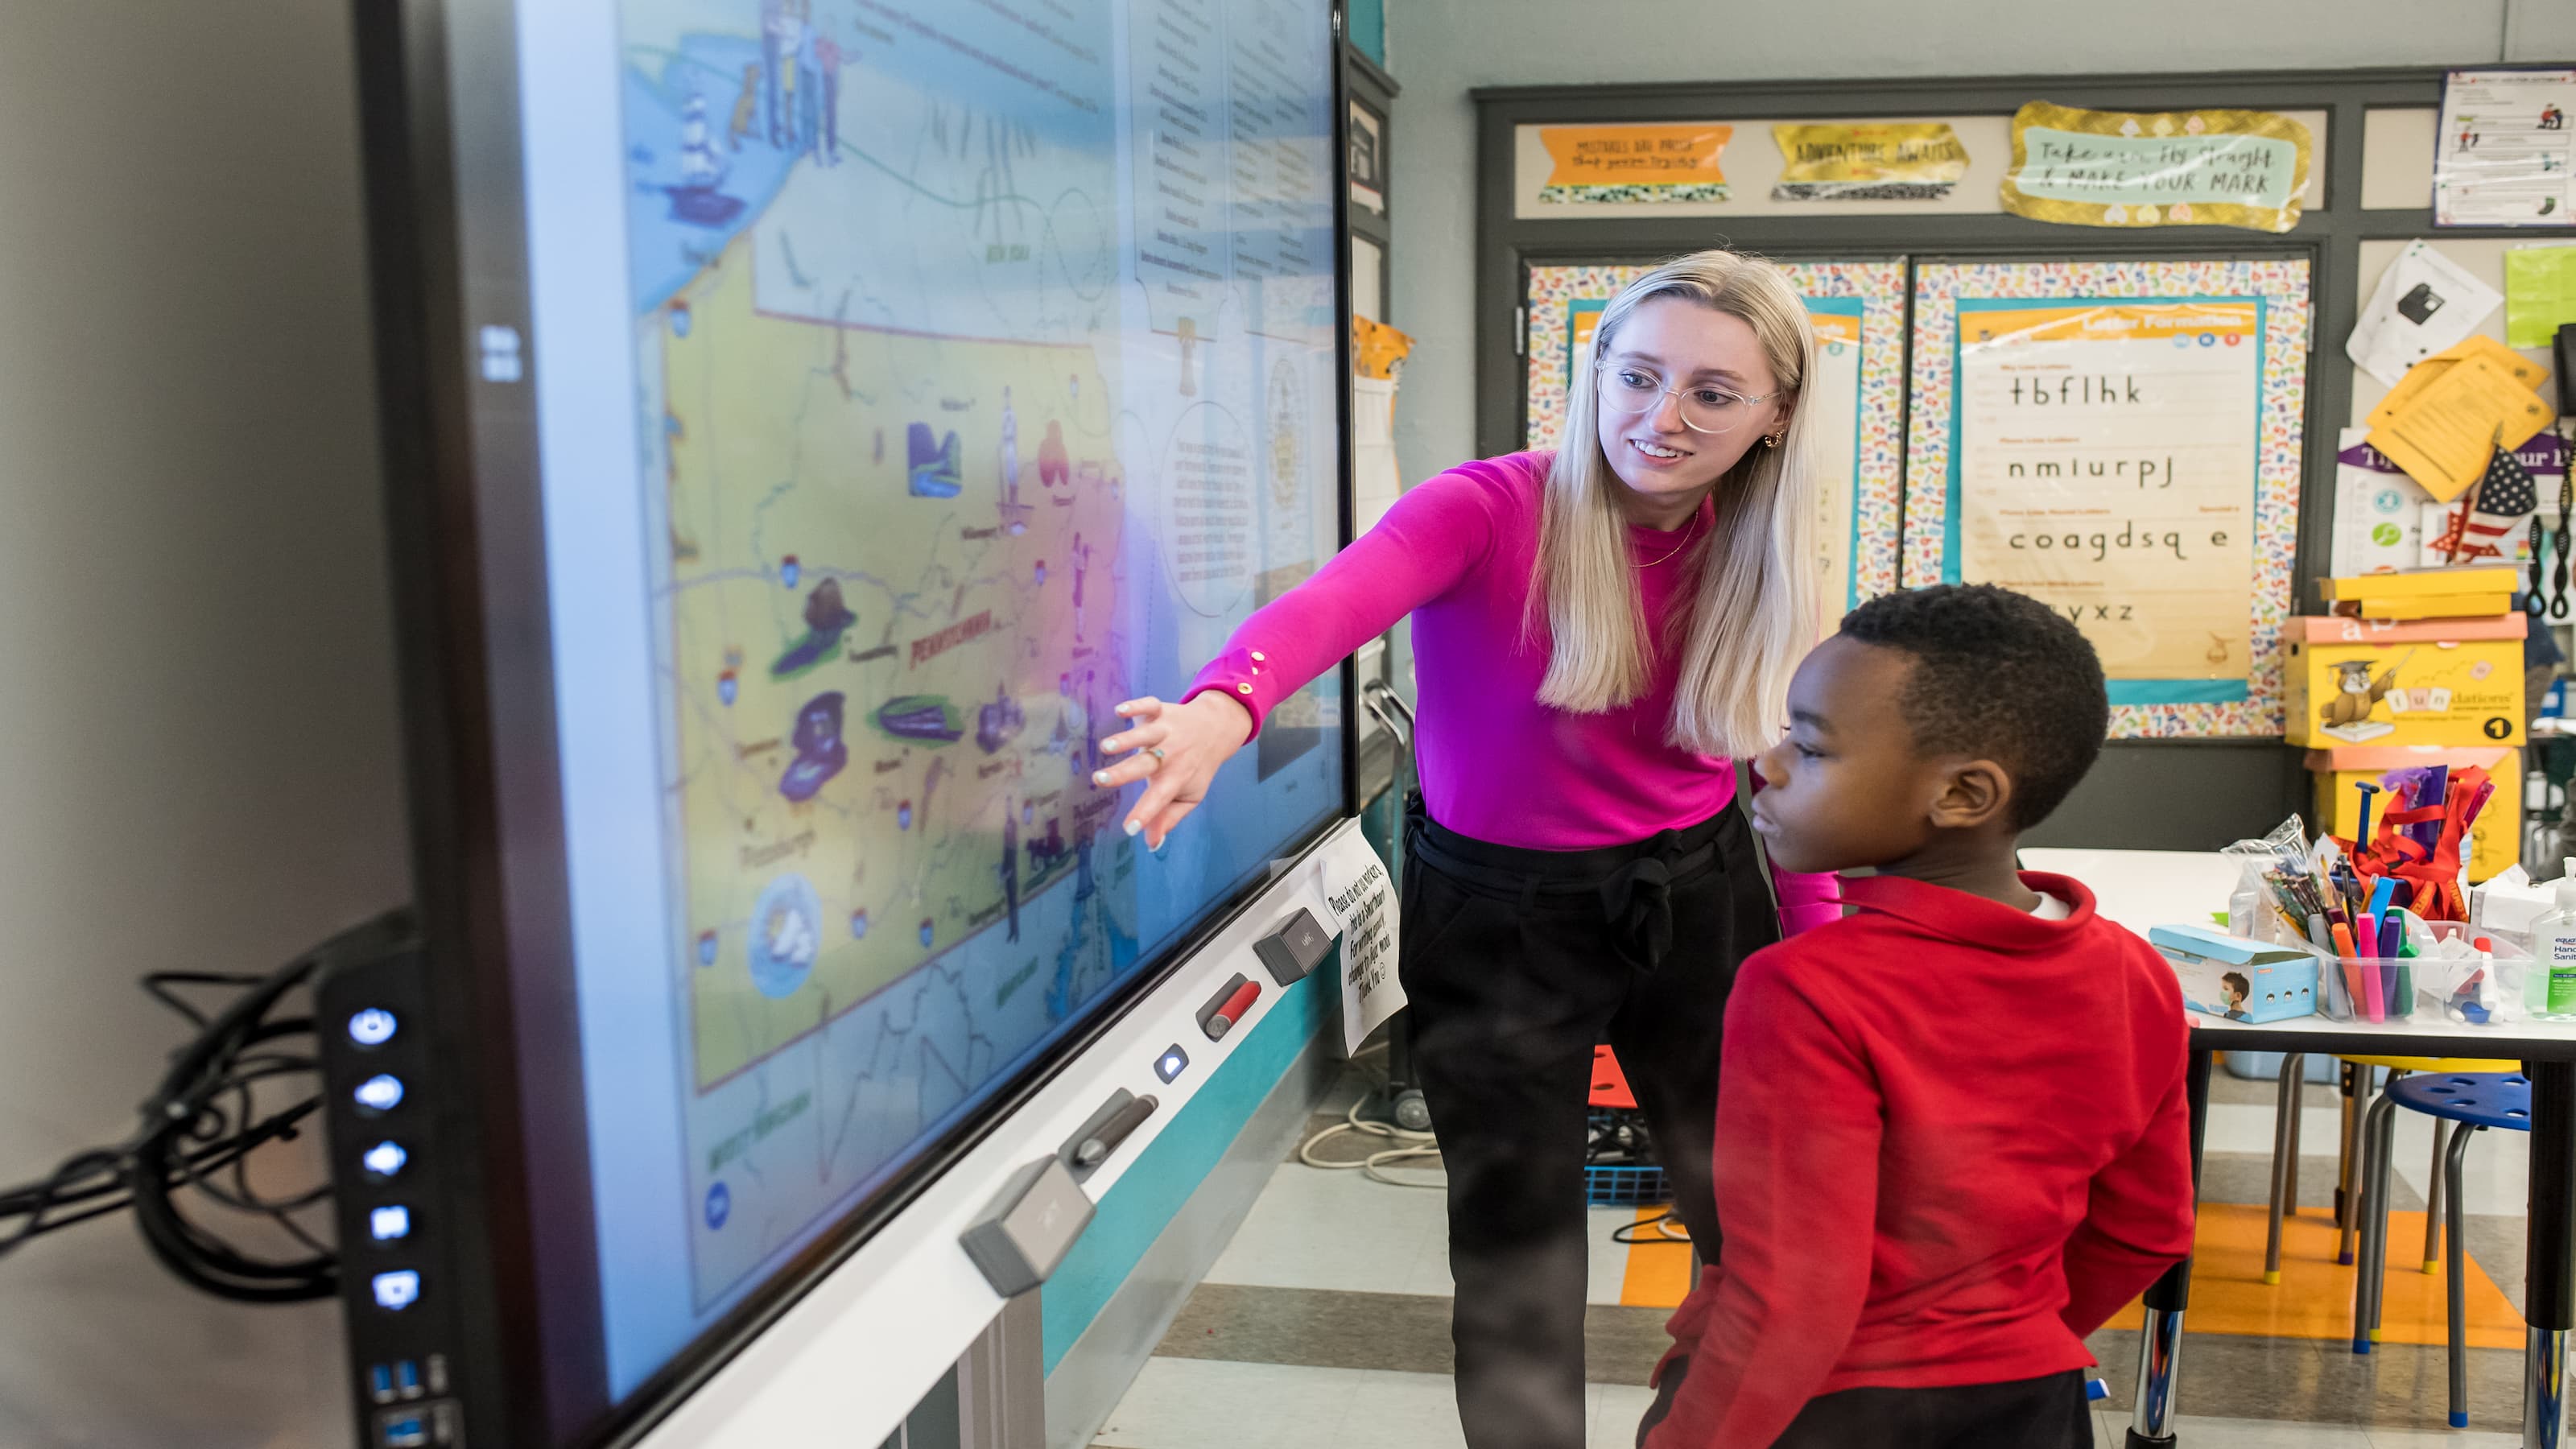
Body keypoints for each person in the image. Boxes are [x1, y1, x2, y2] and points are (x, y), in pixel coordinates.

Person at [1092, 250, 1842, 1449]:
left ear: (1775, 416)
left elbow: (1783, 770)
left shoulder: (1762, 558)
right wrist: (1222, 706)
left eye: (1713, 392)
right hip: (1497, 922)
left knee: (1754, 1225)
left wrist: (1826, 951)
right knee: (1514, 1260)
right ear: (1595, 372)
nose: (1662, 418)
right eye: (1638, 375)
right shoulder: (1490, 508)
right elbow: (1333, 606)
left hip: (1698, 900)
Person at [1636, 584, 2195, 1449]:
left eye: (1811, 748)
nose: (1768, 763)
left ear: (1964, 794)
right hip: (2033, 1408)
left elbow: (1789, 1299)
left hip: (1827, 1413)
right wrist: (2005, 1342)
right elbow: (2146, 1229)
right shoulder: (2134, 973)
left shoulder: (1805, 990)